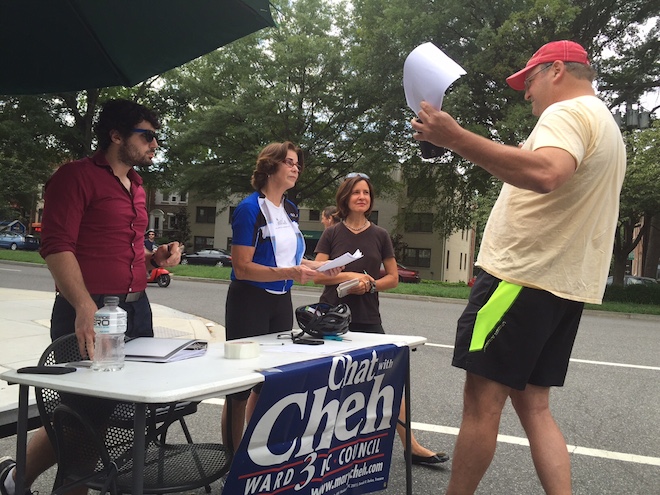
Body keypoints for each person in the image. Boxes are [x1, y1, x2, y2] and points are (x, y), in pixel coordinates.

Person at [411, 40, 626, 494]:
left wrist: (455, 138)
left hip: (519, 280)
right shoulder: (605, 123)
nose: (525, 93)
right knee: (535, 408)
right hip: (562, 287)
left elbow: (545, 173)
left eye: (528, 81)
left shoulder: (566, 113)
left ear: (556, 70)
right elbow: (540, 165)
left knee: (481, 405)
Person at [0, 99, 182, 495]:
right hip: (91, 308)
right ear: (116, 135)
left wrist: (155, 257)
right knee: (83, 422)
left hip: (136, 309)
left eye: (156, 137)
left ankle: (14, 481)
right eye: (147, 136)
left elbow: (117, 247)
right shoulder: (75, 177)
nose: (155, 144)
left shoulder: (136, 185)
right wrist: (84, 305)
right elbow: (56, 245)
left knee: (99, 416)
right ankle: (36, 483)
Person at [314, 173, 449, 466]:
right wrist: (351, 276)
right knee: (331, 383)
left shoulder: (380, 235)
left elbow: (393, 277)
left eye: (366, 192)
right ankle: (325, 451)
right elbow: (317, 275)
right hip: (332, 317)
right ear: (345, 198)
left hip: (368, 316)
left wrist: (371, 284)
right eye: (356, 193)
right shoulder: (332, 233)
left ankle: (410, 446)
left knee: (390, 381)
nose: (362, 197)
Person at [221, 141, 341, 451]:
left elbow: (292, 261)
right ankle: (232, 461)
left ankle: (257, 450)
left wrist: (323, 267)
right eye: (289, 162)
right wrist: (289, 273)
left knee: (270, 381)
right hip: (249, 300)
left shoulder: (290, 208)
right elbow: (243, 268)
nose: (296, 168)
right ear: (270, 167)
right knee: (239, 388)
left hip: (280, 300)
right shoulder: (249, 209)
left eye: (297, 163)